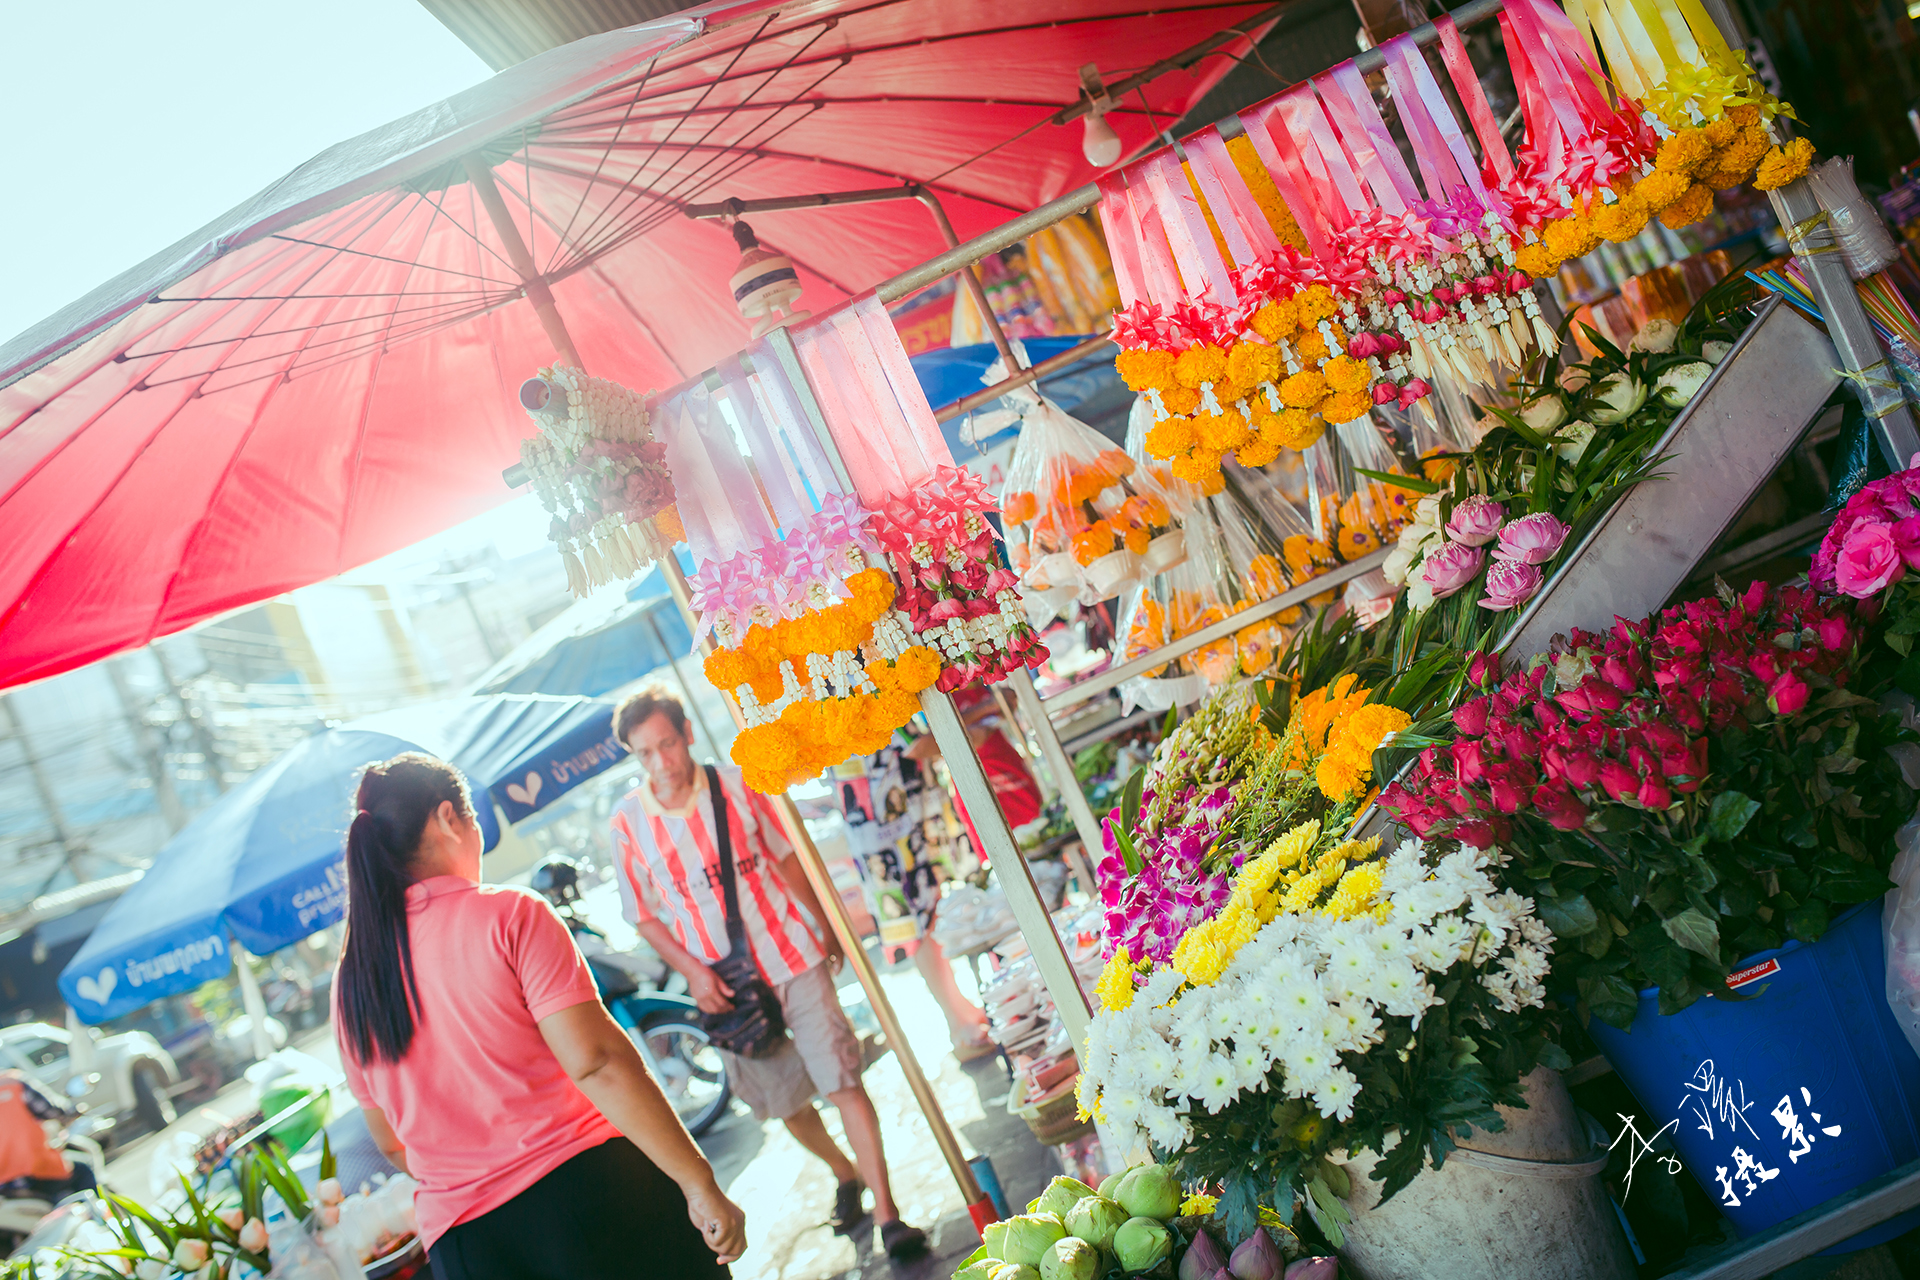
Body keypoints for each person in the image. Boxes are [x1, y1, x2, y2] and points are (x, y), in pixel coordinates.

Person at [332, 754, 745, 1280]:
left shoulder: (353, 982)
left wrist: (474, 1173)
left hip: (468, 1250)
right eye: (476, 819)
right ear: (446, 819)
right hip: (594, 1201)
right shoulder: (508, 914)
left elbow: (390, 1141)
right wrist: (698, 1181)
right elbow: (597, 1064)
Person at [608, 688, 928, 1259]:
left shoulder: (737, 783)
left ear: (686, 734)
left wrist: (824, 924)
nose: (661, 763)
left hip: (793, 955)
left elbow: (785, 856)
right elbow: (644, 917)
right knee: (786, 1106)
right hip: (723, 988)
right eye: (645, 753)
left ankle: (889, 1214)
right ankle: (844, 1170)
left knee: (842, 1081)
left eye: (667, 744)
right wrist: (694, 975)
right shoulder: (629, 823)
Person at [0, 1070, 93, 1202]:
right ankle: (99, 1217)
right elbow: (51, 1110)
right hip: (37, 1170)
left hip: (4, 1188)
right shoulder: (12, 1082)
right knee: (83, 1171)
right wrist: (70, 1113)